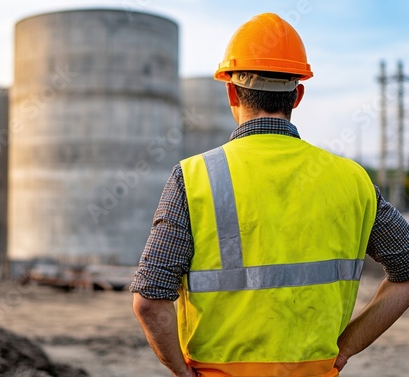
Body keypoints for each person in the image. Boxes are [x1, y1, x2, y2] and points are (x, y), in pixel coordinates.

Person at [130, 12, 409, 377]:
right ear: (299, 94)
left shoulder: (195, 177)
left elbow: (149, 300)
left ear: (231, 91)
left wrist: (183, 373)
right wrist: (344, 350)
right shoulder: (353, 179)